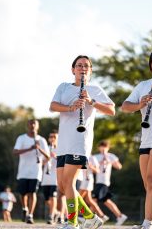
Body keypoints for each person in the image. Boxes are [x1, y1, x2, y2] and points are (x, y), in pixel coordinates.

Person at [50, 55, 115, 229]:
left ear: (90, 70)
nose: (83, 68)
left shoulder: (94, 89)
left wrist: (91, 101)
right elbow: (53, 106)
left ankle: (72, 222)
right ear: (73, 70)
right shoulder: (63, 87)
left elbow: (111, 110)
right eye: (79, 66)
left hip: (80, 141)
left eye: (86, 66)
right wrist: (71, 107)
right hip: (63, 142)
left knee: (69, 182)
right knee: (62, 185)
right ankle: (90, 217)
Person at [121, 48, 152, 229]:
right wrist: (141, 104)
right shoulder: (143, 85)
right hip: (146, 139)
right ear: (151, 64)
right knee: (149, 184)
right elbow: (125, 106)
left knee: (151, 179)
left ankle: (147, 224)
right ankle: (149, 222)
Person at [13, 119, 50, 224]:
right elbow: (15, 152)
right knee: (22, 193)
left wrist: (39, 149)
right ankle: (24, 208)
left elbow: (48, 156)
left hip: (35, 172)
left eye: (34, 123)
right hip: (23, 172)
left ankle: (30, 215)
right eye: (30, 123)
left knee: (32, 193)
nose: (32, 125)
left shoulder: (41, 140)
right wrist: (30, 149)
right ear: (27, 126)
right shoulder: (21, 138)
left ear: (37, 126)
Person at [92, 140, 128, 226]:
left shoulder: (111, 156)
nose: (103, 148)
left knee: (93, 200)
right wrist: (100, 163)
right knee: (105, 200)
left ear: (108, 148)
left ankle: (92, 218)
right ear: (99, 148)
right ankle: (119, 216)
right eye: (102, 146)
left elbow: (119, 166)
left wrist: (109, 161)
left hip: (104, 181)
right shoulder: (96, 157)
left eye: (105, 147)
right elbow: (93, 169)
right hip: (98, 181)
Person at [79, 155, 109, 225]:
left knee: (79, 198)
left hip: (87, 180)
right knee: (89, 200)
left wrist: (91, 166)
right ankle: (102, 215)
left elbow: (98, 170)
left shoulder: (92, 158)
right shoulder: (80, 156)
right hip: (82, 179)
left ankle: (80, 215)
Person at [41, 130, 59, 224]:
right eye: (50, 137)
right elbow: (41, 163)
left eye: (54, 137)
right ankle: (56, 212)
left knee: (53, 197)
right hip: (45, 178)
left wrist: (55, 156)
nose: (52, 139)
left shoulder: (61, 149)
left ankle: (51, 216)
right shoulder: (46, 148)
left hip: (55, 178)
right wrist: (46, 159)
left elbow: (63, 163)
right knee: (47, 200)